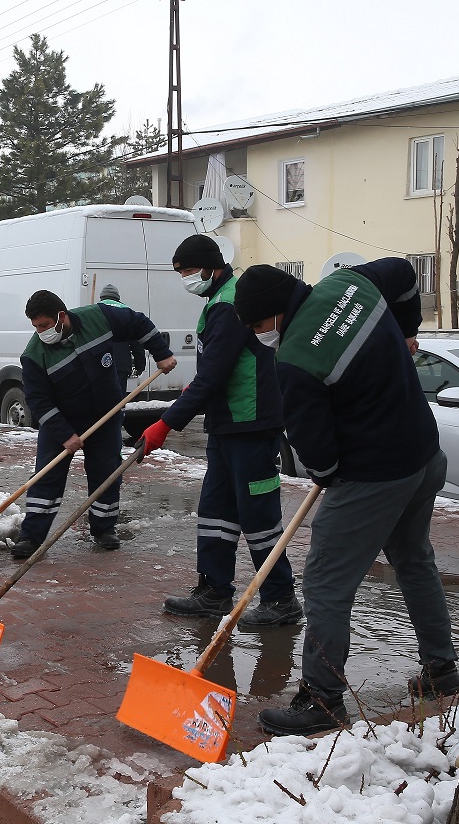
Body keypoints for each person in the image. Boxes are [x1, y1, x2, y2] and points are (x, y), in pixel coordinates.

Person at [233, 259, 459, 737]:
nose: (260, 335)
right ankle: (442, 672)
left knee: (324, 583)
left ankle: (321, 699)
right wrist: (405, 330)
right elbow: (403, 271)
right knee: (415, 561)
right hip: (424, 455)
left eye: (259, 325)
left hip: (374, 476)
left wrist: (329, 472)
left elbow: (316, 449)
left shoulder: (295, 357)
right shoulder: (349, 283)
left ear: (275, 313)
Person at [137, 234, 301, 630]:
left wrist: (166, 422)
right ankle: (214, 589)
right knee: (216, 511)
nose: (186, 279)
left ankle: (280, 598)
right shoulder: (219, 299)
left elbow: (215, 374)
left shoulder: (229, 302)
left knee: (258, 516)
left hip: (252, 423)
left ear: (211, 265)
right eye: (181, 273)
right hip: (228, 425)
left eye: (190, 270)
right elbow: (212, 373)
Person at [12, 289, 178, 560]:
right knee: (47, 477)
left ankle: (104, 529)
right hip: (61, 420)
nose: (41, 332)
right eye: (35, 327)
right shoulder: (34, 355)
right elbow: (38, 400)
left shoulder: (98, 317)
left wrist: (161, 353)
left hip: (106, 414)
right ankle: (31, 537)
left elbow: (138, 322)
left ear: (61, 317)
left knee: (107, 471)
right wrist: (65, 434)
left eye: (44, 325)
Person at [97, 284, 146, 396]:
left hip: (99, 366)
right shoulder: (127, 313)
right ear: (117, 298)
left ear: (101, 298)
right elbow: (136, 344)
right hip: (120, 365)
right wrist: (140, 366)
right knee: (118, 400)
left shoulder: (94, 313)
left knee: (102, 401)